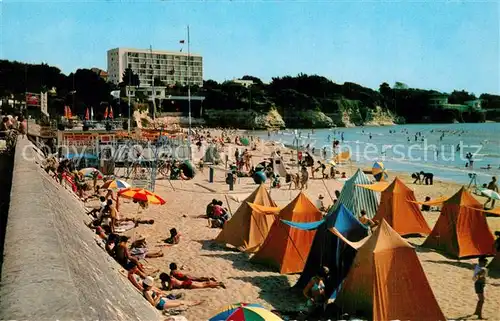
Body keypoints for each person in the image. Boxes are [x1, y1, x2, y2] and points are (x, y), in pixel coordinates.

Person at [159, 272, 225, 290]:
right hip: (186, 282)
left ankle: (218, 284)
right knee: (203, 283)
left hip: (185, 284)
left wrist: (163, 284)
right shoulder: (171, 277)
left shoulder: (170, 281)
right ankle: (217, 283)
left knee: (203, 286)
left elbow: (169, 289)